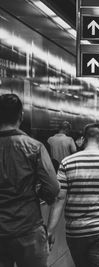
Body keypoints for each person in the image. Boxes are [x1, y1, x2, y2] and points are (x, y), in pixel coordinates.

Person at [47, 123, 99, 267]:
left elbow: (59, 198)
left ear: (83, 139)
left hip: (76, 232)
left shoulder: (67, 163)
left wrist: (50, 230)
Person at [0, 94, 60, 267]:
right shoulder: (34, 146)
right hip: (28, 227)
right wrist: (39, 192)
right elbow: (54, 188)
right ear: (21, 116)